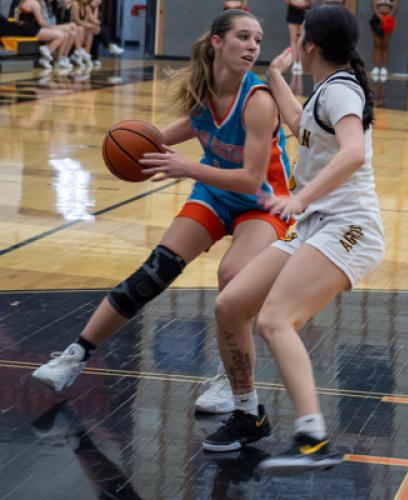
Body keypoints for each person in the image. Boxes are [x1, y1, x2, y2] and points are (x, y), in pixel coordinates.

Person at [32, 10, 292, 417]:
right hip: (214, 194)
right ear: (217, 42)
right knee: (154, 271)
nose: (253, 46)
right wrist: (134, 146)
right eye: (243, 37)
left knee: (233, 276)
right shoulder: (205, 89)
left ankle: (232, 380)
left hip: (263, 202)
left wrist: (185, 166)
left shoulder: (259, 101)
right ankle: (75, 356)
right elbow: (190, 126)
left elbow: (249, 179)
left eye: (257, 40)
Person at [202, 4, 384, 474]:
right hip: (317, 227)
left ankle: (312, 438)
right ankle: (247, 414)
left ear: (311, 45)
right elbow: (301, 122)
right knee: (231, 304)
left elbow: (351, 156)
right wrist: (276, 76)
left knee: (276, 319)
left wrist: (301, 200)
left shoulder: (342, 92)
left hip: (349, 229)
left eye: (300, 36)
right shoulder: (328, 90)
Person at [369, 0, 398, 82]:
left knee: (385, 45)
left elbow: (394, 7)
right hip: (377, 18)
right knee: (377, 44)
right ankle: (375, 67)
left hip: (388, 19)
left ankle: (384, 68)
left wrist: (388, 16)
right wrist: (379, 16)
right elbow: (374, 6)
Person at [285, 0, 314, 74]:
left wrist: (304, 3)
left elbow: (311, 2)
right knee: (293, 40)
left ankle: (301, 62)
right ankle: (295, 63)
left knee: (302, 39)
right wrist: (296, 2)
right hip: (292, 13)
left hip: (303, 13)